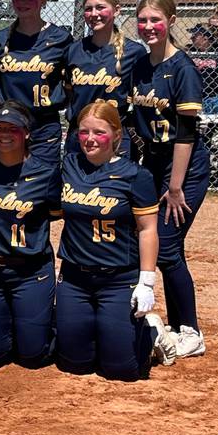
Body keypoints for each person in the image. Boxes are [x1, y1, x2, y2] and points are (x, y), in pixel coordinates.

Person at [56, 102, 163, 380]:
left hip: (118, 278)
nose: (90, 139)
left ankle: (151, 333)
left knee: (122, 371)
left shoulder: (136, 175)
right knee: (73, 364)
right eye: (83, 132)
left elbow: (148, 229)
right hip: (74, 277)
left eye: (99, 132)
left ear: (117, 135)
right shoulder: (69, 165)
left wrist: (147, 282)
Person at [129, 0, 210, 358]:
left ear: (172, 21)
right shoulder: (141, 65)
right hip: (155, 163)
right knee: (154, 242)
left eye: (155, 20)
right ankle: (176, 324)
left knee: (167, 244)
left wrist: (175, 186)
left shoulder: (183, 69)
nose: (148, 27)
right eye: (142, 20)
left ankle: (189, 330)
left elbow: (186, 132)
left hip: (185, 167)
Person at [0, 101, 61, 368]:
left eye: (13, 128)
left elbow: (56, 213)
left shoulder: (45, 172)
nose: (5, 134)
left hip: (31, 271)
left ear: (27, 133)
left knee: (32, 357)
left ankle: (51, 324)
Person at [0, 0, 73, 164]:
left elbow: (71, 82)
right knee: (7, 179)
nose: (22, 2)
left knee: (44, 180)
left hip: (44, 123)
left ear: (43, 0)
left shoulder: (61, 38)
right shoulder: (0, 39)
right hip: (9, 123)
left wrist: (58, 101)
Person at [64, 0, 147, 157]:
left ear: (116, 10)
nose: (94, 14)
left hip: (114, 139)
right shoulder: (74, 51)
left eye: (101, 7)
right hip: (79, 136)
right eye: (88, 9)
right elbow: (70, 92)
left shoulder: (133, 52)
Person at [186, 23, 218, 98]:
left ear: (206, 37)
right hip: (191, 95)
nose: (192, 37)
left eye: (195, 35)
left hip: (213, 97)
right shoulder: (190, 50)